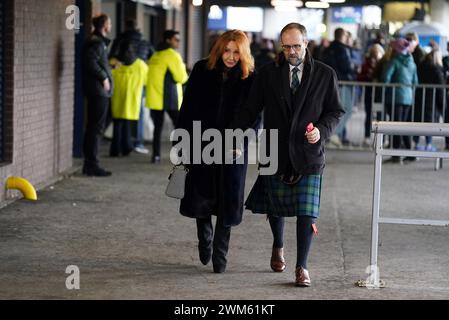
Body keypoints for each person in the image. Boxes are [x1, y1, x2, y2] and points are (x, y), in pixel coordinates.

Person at [230, 23, 344, 286]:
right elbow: (251, 108)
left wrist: (321, 132)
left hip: (308, 151)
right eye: (286, 46)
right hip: (274, 147)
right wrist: (235, 133)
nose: (291, 51)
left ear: (307, 43)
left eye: (296, 45)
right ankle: (278, 244)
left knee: (307, 212)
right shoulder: (269, 73)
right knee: (276, 207)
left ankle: (302, 267)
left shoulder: (325, 74)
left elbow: (335, 111)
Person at [175, 30, 257, 273]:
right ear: (219, 49)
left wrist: (242, 140)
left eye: (236, 52)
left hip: (232, 147)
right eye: (227, 50)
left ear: (243, 53)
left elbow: (255, 117)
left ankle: (221, 254)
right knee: (201, 196)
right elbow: (187, 106)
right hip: (201, 143)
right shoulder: (202, 70)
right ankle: (205, 239)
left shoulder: (250, 77)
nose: (231, 57)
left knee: (227, 201)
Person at [110, 19, 154, 155]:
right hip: (136, 84)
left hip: (118, 87)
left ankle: (116, 148)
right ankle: (137, 143)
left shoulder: (119, 41)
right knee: (137, 114)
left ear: (126, 26)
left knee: (118, 119)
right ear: (137, 28)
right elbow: (152, 58)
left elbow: (111, 59)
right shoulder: (144, 42)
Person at [146, 30, 188, 164]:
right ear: (169, 40)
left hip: (155, 97)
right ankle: (179, 155)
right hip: (169, 96)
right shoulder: (172, 55)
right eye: (176, 39)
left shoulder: (155, 55)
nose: (178, 42)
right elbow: (181, 77)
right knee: (180, 126)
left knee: (157, 128)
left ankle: (156, 155)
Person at [81, 13, 113, 177]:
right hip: (98, 91)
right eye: (110, 22)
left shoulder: (96, 41)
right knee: (96, 128)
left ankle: (90, 163)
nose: (111, 25)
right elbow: (90, 61)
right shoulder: (97, 42)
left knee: (95, 126)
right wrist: (104, 77)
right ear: (105, 26)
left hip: (96, 90)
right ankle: (92, 164)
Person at [381, 38, 418, 163]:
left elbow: (385, 78)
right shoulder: (412, 63)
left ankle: (396, 155)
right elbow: (415, 82)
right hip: (407, 98)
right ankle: (410, 152)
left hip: (394, 97)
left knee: (396, 126)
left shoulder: (394, 62)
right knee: (404, 125)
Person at [322, 28, 355, 147]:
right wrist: (353, 73)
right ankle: (333, 134)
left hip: (329, 83)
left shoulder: (327, 49)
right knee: (346, 109)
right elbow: (346, 67)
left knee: (332, 110)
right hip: (342, 84)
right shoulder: (343, 49)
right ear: (343, 36)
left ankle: (332, 134)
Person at [413, 49, 445, 152]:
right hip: (432, 100)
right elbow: (440, 88)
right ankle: (428, 144)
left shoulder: (420, 66)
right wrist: (442, 105)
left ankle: (416, 143)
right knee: (429, 123)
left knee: (418, 122)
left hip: (419, 97)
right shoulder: (436, 69)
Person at [357, 44, 385, 146]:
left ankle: (381, 138)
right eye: (374, 52)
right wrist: (368, 76)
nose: (375, 54)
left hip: (380, 94)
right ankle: (367, 136)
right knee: (368, 115)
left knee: (380, 116)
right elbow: (360, 77)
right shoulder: (366, 63)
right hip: (369, 93)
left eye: (377, 52)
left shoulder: (384, 63)